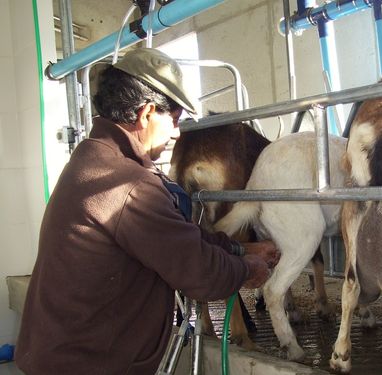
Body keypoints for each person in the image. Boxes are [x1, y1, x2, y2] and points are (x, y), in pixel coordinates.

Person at [15, 48, 280, 374]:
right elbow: (199, 273)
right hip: (88, 364)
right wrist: (245, 269)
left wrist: (239, 247)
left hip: (63, 354)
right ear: (147, 113)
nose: (177, 133)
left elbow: (176, 237)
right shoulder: (128, 185)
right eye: (175, 119)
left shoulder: (92, 157)